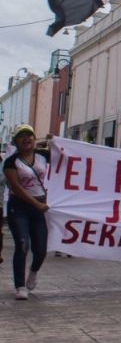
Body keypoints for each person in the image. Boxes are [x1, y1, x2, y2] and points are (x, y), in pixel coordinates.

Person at [3, 124, 50, 300]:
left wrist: (57, 142)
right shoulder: (11, 162)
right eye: (21, 136)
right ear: (16, 141)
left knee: (41, 249)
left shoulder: (44, 156)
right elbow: (16, 187)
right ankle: (20, 286)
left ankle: (33, 273)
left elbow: (66, 158)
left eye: (29, 135)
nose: (26, 139)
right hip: (19, 207)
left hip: (39, 208)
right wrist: (36, 204)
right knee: (22, 245)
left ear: (34, 138)